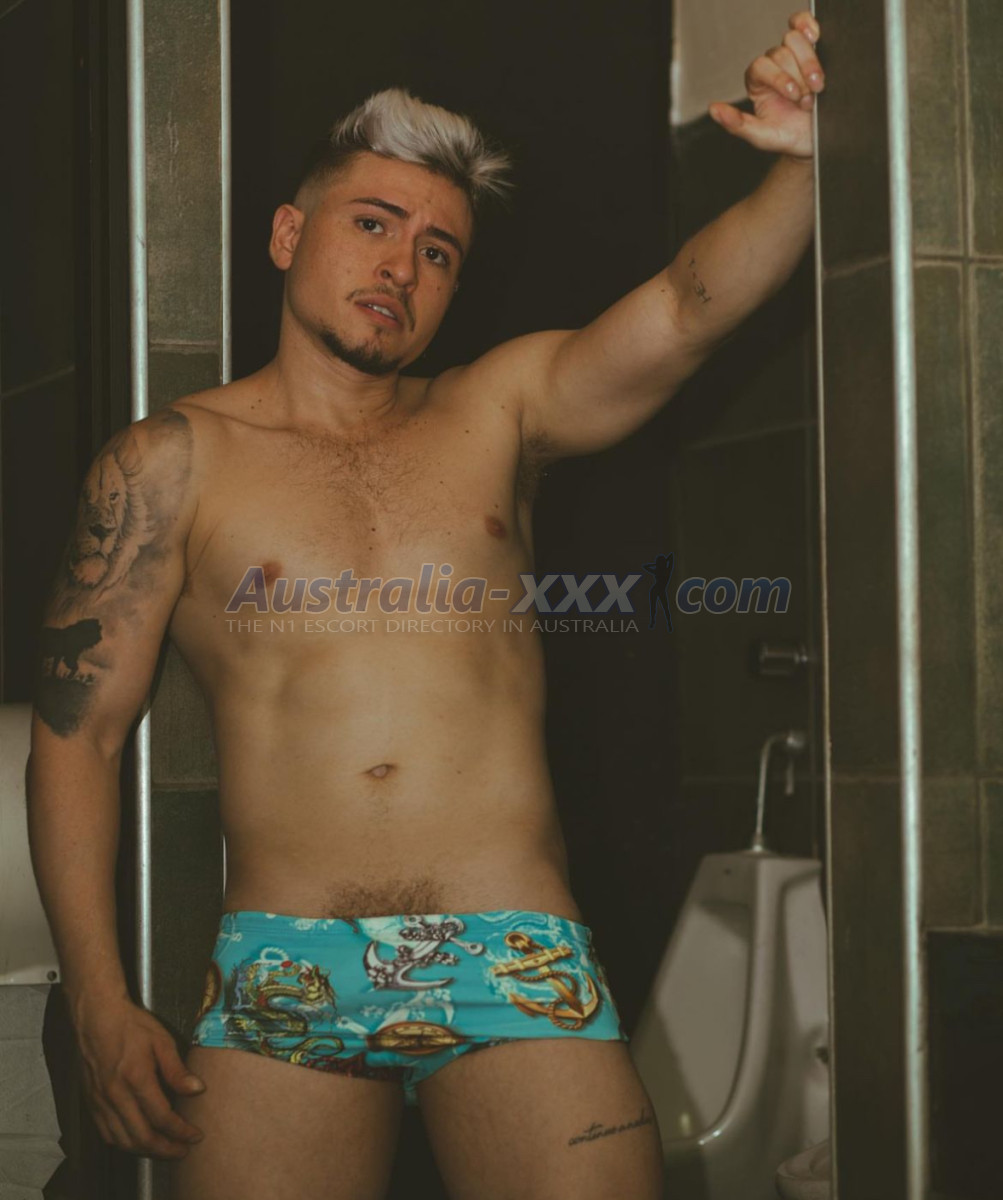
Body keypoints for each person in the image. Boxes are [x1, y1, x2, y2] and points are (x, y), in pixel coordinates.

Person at [26, 11, 824, 1199]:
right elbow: (75, 738)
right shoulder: (170, 462)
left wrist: (803, 161)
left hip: (511, 947)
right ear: (289, 233)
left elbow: (686, 309)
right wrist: (98, 1000)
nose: (402, 267)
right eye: (373, 224)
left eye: (439, 251)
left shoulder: (497, 411)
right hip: (289, 959)